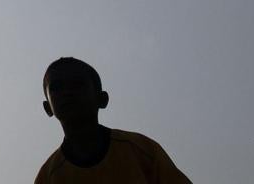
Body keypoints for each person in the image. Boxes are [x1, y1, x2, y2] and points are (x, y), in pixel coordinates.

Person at [34, 57, 192, 183]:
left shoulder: (141, 151)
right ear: (48, 108)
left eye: (77, 84)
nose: (67, 92)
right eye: (57, 87)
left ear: (102, 99)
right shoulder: (48, 177)